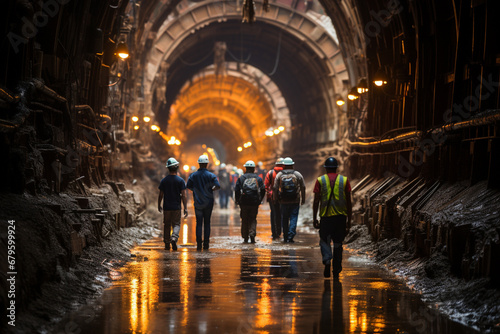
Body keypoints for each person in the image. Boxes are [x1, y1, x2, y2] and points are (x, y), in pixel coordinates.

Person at [312, 157, 352, 279]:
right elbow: (349, 202)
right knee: (338, 244)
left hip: (326, 217)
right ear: (336, 168)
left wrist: (314, 218)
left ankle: (327, 260)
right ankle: (336, 269)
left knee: (325, 241)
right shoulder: (344, 180)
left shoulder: (320, 180)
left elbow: (316, 200)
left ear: (325, 169)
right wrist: (349, 221)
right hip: (340, 218)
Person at [187, 155, 221, 251]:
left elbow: (188, 186)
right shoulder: (211, 175)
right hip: (208, 202)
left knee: (198, 223)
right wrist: (211, 189)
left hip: (198, 202)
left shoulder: (193, 175)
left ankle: (198, 244)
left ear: (199, 163)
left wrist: (195, 190)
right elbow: (218, 186)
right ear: (207, 164)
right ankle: (206, 244)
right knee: (207, 223)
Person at [272, 157, 306, 243]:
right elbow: (303, 187)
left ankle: (285, 235)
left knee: (285, 218)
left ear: (283, 165)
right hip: (295, 200)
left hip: (283, 201)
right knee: (294, 218)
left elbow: (275, 187)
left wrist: (275, 198)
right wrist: (303, 199)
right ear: (292, 165)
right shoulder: (297, 174)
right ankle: (291, 235)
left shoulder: (279, 175)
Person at [158, 157, 188, 251]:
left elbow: (161, 194)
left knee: (167, 224)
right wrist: (185, 207)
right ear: (177, 167)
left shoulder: (164, 180)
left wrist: (159, 204)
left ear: (168, 168)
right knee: (176, 224)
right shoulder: (180, 181)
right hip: (176, 207)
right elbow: (183, 195)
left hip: (167, 207)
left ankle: (167, 243)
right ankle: (174, 238)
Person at [234, 160, 265, 243]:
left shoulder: (241, 178)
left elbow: (236, 190)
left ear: (246, 168)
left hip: (244, 202)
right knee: (253, 218)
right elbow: (263, 190)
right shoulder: (258, 178)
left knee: (244, 219)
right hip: (254, 202)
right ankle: (252, 235)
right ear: (254, 168)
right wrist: (260, 199)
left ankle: (245, 237)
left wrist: (237, 200)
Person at [264, 157, 284, 240]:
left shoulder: (270, 173)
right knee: (281, 214)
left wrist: (269, 193)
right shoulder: (285, 173)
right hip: (283, 197)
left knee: (273, 214)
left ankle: (274, 233)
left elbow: (266, 185)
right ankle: (280, 231)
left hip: (272, 197)